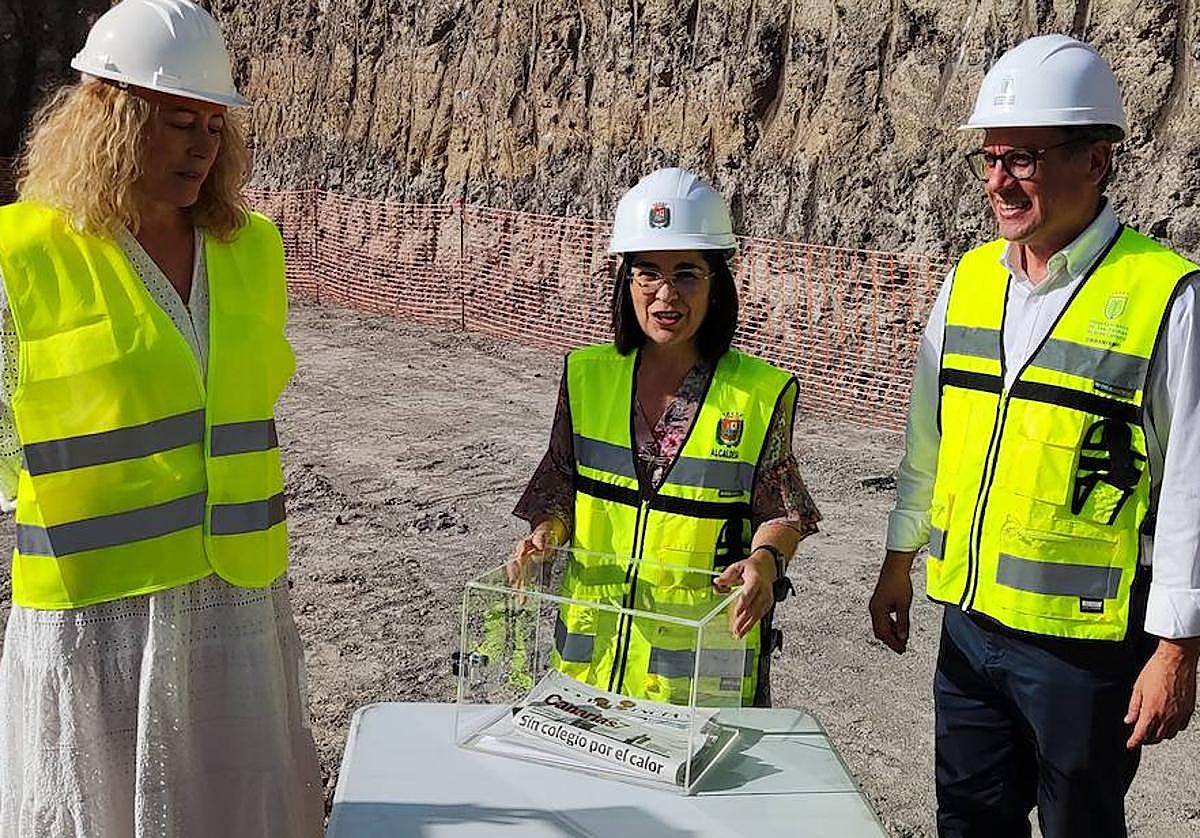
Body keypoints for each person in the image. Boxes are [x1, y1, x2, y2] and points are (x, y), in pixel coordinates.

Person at [0, 2, 323, 835]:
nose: (203, 145)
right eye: (179, 119)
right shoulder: (23, 253)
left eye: (215, 124)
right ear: (108, 113)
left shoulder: (253, 250)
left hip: (236, 601)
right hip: (96, 616)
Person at [868, 34, 1199, 837]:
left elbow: (1193, 480)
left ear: (1096, 160)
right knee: (969, 819)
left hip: (1081, 648)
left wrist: (1176, 648)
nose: (997, 180)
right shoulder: (969, 280)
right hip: (971, 629)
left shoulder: (1166, 296)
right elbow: (929, 441)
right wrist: (898, 560)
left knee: (1079, 825)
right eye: (989, 158)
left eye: (1022, 157)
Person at [511, 167, 821, 707]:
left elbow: (781, 509)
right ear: (625, 280)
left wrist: (764, 564)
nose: (665, 294)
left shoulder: (757, 394)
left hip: (700, 677)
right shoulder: (587, 377)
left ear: (715, 283)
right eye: (647, 273)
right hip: (591, 666)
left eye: (686, 273)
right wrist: (547, 535)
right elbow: (560, 483)